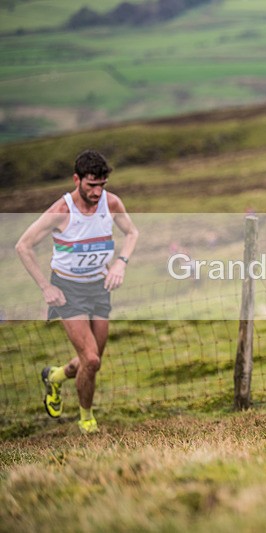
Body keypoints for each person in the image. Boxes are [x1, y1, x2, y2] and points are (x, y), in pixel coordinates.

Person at [15, 149, 138, 434]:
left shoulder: (112, 203)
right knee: (91, 359)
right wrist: (46, 287)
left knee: (92, 361)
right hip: (67, 290)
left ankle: (55, 376)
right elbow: (23, 246)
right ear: (77, 179)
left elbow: (132, 233)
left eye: (101, 185)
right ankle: (86, 420)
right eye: (91, 185)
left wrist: (120, 263)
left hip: (99, 287)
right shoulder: (61, 210)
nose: (96, 192)